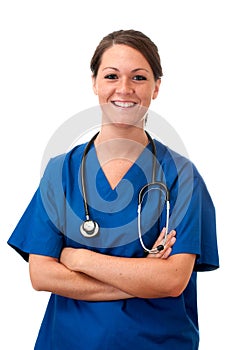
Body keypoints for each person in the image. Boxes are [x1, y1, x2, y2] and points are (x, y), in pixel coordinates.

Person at [7, 29, 219, 349]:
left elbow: (172, 280)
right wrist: (143, 277)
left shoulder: (182, 178)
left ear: (156, 87)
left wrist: (77, 258)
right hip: (67, 341)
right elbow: (42, 275)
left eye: (138, 77)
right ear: (94, 83)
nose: (124, 89)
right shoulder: (60, 171)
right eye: (111, 76)